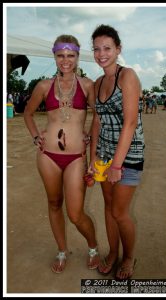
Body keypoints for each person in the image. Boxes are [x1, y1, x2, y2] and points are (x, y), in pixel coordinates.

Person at [24, 34, 100, 273]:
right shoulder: (44, 86)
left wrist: (91, 143)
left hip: (76, 156)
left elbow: (98, 116)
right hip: (48, 156)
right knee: (54, 203)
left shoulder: (88, 85)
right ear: (54, 56)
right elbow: (27, 113)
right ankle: (61, 250)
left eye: (71, 55)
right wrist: (37, 136)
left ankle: (93, 247)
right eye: (60, 55)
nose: (65, 60)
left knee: (76, 214)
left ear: (77, 57)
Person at [89, 24, 145, 280]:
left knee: (120, 212)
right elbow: (97, 122)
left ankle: (129, 256)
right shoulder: (98, 82)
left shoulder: (128, 76)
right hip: (104, 154)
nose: (102, 53)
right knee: (108, 207)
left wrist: (116, 165)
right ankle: (113, 252)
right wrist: (94, 159)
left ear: (118, 49)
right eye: (97, 49)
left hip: (128, 156)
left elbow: (130, 123)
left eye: (107, 48)